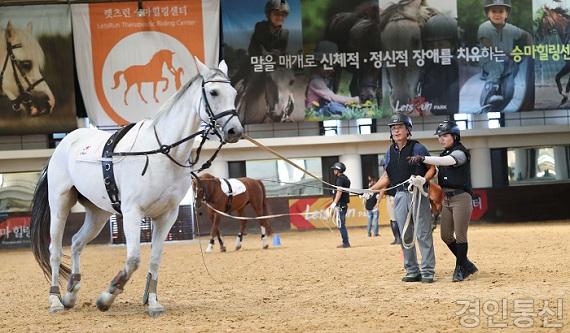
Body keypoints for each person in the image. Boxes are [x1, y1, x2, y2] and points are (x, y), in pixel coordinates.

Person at [366, 113, 437, 283]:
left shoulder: (418, 148)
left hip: (418, 194)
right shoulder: (389, 152)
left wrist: (423, 179)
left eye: (399, 127)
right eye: (393, 128)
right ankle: (412, 270)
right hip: (400, 195)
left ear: (408, 130)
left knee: (423, 232)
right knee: (405, 234)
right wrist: (370, 190)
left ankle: (427, 270)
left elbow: (432, 167)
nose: (396, 130)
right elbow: (387, 177)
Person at [408, 121, 478, 282]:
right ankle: (466, 263)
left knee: (460, 235)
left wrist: (423, 158)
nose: (441, 139)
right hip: (446, 198)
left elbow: (449, 161)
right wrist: (421, 179)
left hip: (461, 198)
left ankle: (460, 268)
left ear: (454, 136)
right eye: (440, 136)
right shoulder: (442, 155)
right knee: (446, 236)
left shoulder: (461, 152)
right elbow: (438, 168)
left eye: (445, 136)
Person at [477, 0, 532, 107]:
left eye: (501, 11)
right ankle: (490, 92)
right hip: (490, 60)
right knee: (498, 63)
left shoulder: (511, 29)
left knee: (513, 73)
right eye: (494, 11)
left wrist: (530, 50)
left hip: (508, 62)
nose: (497, 14)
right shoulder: (484, 27)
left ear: (506, 14)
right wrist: (508, 54)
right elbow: (488, 45)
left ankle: (504, 96)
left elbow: (527, 35)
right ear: (488, 13)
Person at [231, 0, 290, 85]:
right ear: (268, 15)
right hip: (256, 60)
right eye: (276, 13)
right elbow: (256, 49)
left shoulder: (285, 33)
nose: (280, 17)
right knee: (238, 76)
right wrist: (268, 55)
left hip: (274, 64)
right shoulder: (260, 26)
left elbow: (282, 52)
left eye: (283, 15)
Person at [305, 40, 360, 117]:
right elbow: (333, 97)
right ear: (317, 64)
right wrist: (355, 100)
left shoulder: (325, 78)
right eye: (328, 66)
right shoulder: (316, 81)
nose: (332, 70)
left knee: (336, 105)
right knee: (332, 106)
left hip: (323, 105)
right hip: (315, 111)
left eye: (333, 66)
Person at [329, 161, 351, 248]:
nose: (334, 171)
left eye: (335, 169)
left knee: (341, 224)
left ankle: (346, 243)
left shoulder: (340, 179)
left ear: (338, 170)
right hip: (343, 204)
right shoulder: (345, 178)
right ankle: (345, 242)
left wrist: (334, 203)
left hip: (341, 204)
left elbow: (339, 191)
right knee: (341, 224)